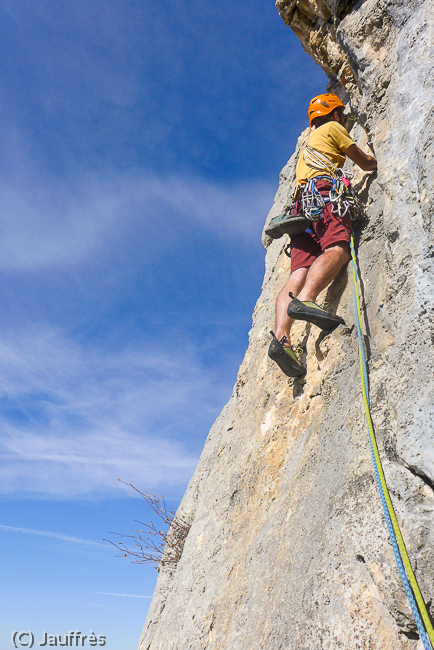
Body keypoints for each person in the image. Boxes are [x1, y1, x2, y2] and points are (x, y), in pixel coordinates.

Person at [268, 92, 377, 378]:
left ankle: (281, 338)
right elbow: (364, 162)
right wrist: (376, 161)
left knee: (298, 272)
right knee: (338, 249)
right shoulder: (332, 128)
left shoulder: (308, 146)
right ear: (336, 114)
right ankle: (306, 299)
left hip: (300, 209)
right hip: (323, 196)